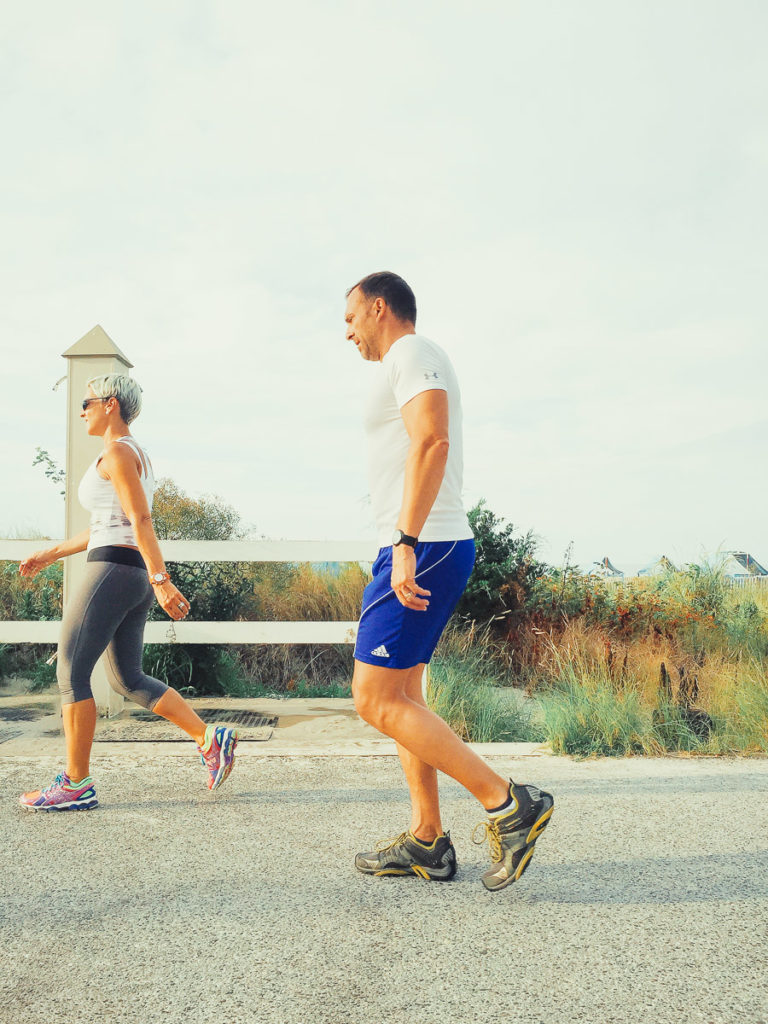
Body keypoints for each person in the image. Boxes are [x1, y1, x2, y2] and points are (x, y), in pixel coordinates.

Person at [345, 272, 554, 891]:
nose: (349, 333)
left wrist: (406, 542)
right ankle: (429, 841)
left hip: (425, 542)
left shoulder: (411, 352)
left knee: (374, 698)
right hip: (420, 541)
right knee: (403, 695)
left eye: (351, 319)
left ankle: (509, 805)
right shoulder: (409, 361)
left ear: (379, 308)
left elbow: (431, 441)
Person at [18, 374, 238, 811]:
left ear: (110, 404)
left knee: (70, 670)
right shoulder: (132, 453)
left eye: (87, 402)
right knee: (127, 678)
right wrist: (52, 553)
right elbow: (107, 523)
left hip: (115, 572)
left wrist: (162, 580)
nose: (82, 410)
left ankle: (76, 784)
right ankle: (207, 738)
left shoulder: (118, 452)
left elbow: (140, 520)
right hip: (128, 573)